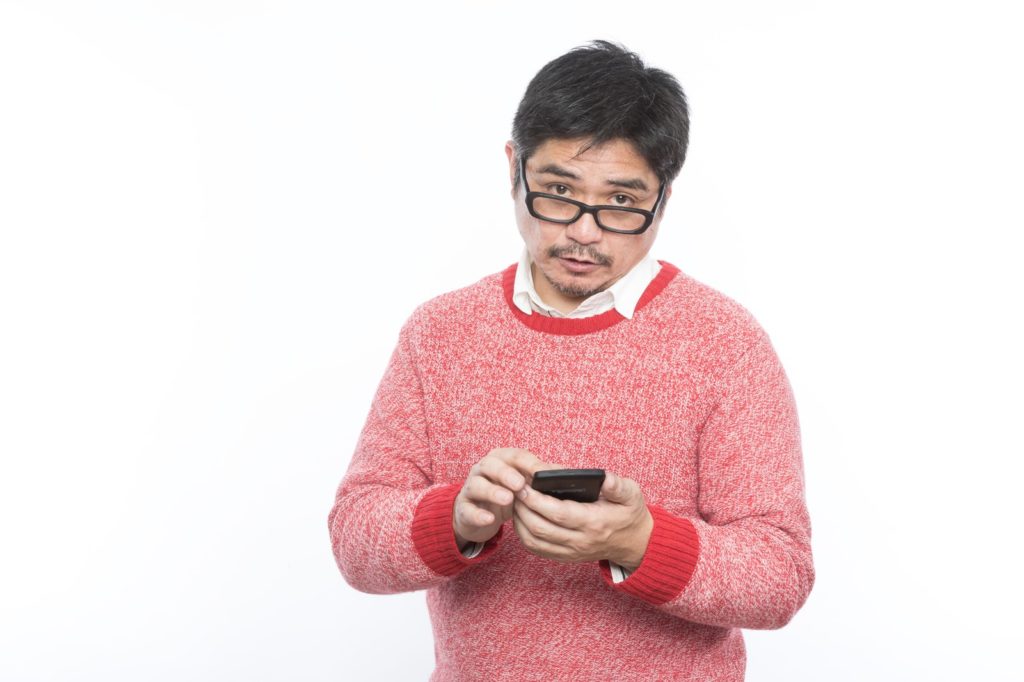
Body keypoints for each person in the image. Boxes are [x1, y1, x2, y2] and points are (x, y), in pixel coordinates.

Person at [328, 40, 813, 681]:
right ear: (514, 168)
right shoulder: (439, 334)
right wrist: (456, 519)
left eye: (621, 202)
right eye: (558, 191)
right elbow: (354, 538)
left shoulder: (726, 344)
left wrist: (638, 542)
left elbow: (781, 574)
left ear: (664, 197)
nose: (584, 231)